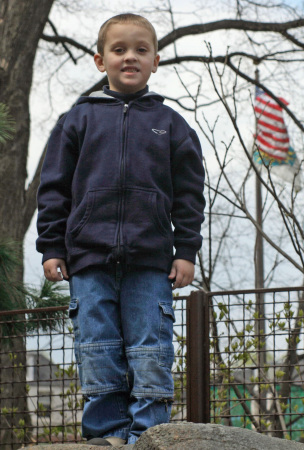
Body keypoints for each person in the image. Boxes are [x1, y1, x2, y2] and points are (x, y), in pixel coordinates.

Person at [36, 13, 205, 447]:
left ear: (155, 61)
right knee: (97, 345)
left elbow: (189, 194)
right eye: (119, 49)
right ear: (100, 60)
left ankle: (149, 434)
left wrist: (185, 250)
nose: (130, 56)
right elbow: (54, 187)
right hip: (88, 261)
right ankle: (108, 434)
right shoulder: (77, 121)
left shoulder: (173, 125)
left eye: (140, 50)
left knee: (151, 345)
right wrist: (52, 246)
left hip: (151, 262)